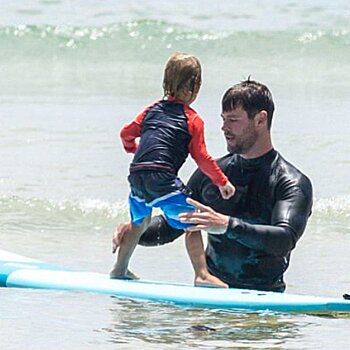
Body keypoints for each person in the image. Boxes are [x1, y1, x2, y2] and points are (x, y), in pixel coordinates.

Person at [113, 79, 313, 292]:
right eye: (223, 119)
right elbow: (172, 226)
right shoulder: (211, 176)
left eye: (233, 120)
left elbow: (284, 239)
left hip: (264, 303)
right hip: (211, 300)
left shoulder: (291, 182)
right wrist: (135, 232)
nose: (224, 128)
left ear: (260, 120)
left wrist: (227, 225)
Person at [110, 52, 235, 287]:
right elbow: (202, 157)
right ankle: (202, 274)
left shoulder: (150, 110)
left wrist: (132, 148)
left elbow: (126, 132)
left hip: (136, 175)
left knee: (139, 223)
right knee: (193, 220)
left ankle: (119, 269)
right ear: (194, 86)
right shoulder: (192, 119)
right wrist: (222, 182)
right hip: (162, 178)